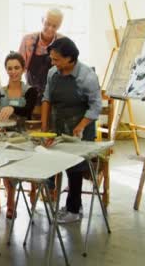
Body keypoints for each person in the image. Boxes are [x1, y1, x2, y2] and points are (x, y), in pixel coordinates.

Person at [41, 37, 102, 224]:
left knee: (75, 167)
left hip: (80, 128)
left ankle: (74, 210)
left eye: (56, 59)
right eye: (52, 58)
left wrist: (81, 126)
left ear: (70, 58)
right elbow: (47, 99)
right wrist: (45, 128)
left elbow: (96, 107)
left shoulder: (87, 77)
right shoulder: (53, 73)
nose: (53, 63)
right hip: (59, 125)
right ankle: (73, 204)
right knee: (61, 163)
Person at [0, 53, 37, 219]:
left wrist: (14, 109)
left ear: (23, 69)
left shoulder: (30, 91)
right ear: (6, 70)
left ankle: (11, 205)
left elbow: (28, 111)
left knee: (9, 170)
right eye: (9, 68)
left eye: (17, 68)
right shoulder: (0, 91)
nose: (13, 72)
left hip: (21, 138)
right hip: (1, 136)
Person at [18, 8, 64, 105]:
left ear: (59, 26)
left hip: (55, 96)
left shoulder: (63, 42)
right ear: (42, 20)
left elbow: (68, 71)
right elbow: (18, 69)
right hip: (31, 93)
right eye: (47, 23)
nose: (50, 28)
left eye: (54, 26)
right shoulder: (28, 40)